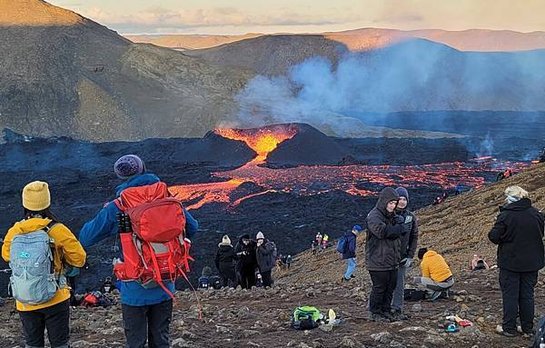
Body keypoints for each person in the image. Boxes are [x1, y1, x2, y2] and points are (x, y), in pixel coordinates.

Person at [78, 154, 198, 348]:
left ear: (121, 178)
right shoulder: (166, 198)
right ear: (144, 169)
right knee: (161, 340)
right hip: (165, 283)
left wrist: (109, 217)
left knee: (136, 342)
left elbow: (86, 237)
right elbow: (192, 227)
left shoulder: (119, 206)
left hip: (134, 288)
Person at [2, 181, 86, 348]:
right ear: (47, 202)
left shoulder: (15, 231)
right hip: (56, 296)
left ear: (25, 203)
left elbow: (6, 255)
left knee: (32, 344)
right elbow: (79, 258)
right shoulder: (56, 229)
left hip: (25, 300)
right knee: (60, 344)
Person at [488, 185, 544, 338]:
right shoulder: (537, 214)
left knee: (510, 295)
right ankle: (527, 327)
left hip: (510, 262)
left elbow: (493, 237)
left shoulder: (506, 216)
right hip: (532, 262)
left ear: (511, 198)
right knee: (527, 295)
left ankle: (509, 328)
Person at [365, 187, 404, 322]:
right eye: (390, 203)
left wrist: (397, 227)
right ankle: (375, 312)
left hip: (391, 260)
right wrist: (398, 229)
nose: (392, 206)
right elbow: (382, 232)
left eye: (394, 203)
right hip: (377, 260)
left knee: (390, 287)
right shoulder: (374, 216)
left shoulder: (392, 216)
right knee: (379, 287)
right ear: (384, 202)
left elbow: (393, 231)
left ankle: (385, 310)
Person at [391, 187, 419, 320]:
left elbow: (414, 237)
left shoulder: (410, 217)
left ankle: (397, 308)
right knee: (385, 282)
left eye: (404, 199)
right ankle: (383, 307)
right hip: (388, 256)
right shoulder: (389, 214)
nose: (402, 202)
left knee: (399, 283)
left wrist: (410, 255)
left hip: (402, 257)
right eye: (400, 199)